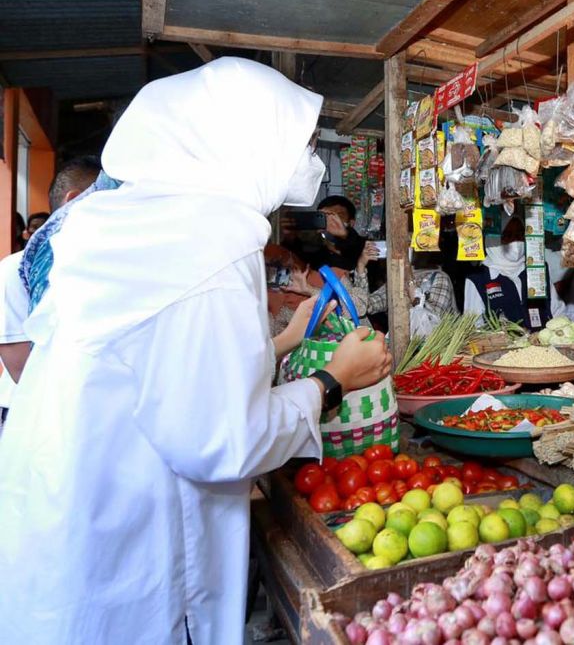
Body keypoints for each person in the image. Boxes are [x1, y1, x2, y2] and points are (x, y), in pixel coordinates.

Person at [0, 57, 391, 644]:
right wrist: (332, 381)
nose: (307, 161)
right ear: (239, 142)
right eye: (296, 142)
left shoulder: (119, 224)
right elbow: (225, 439)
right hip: (140, 565)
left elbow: (185, 379)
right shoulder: (211, 242)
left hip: (67, 539)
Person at [0, 157, 101, 427]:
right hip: (27, 414)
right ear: (75, 200)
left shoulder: (96, 267)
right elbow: (21, 368)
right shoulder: (14, 270)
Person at [463, 216, 566, 331]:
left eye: (520, 235)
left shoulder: (537, 269)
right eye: (507, 236)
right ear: (493, 239)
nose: (516, 241)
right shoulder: (478, 279)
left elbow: (557, 311)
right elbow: (474, 327)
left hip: (543, 346)